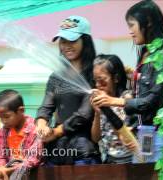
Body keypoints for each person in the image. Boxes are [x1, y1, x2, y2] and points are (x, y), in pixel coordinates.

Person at [91, 0, 163, 162]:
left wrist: (115, 101)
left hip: (160, 134)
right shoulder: (145, 51)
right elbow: (143, 95)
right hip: (146, 132)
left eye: (132, 25)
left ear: (148, 22)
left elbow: (151, 101)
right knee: (143, 171)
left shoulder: (162, 54)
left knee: (151, 173)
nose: (130, 31)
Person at [35, 15, 99, 165]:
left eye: (72, 40)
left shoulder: (95, 73)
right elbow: (46, 106)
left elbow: (84, 114)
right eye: (63, 41)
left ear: (86, 40)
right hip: (57, 150)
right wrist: (42, 124)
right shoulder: (56, 77)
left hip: (83, 151)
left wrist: (56, 132)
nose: (66, 46)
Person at [90, 54, 135, 164]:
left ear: (116, 78)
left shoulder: (126, 98)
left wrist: (108, 107)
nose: (97, 85)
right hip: (109, 161)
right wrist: (97, 113)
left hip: (130, 161)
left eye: (102, 80)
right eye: (95, 80)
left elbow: (123, 134)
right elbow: (95, 138)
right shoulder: (101, 103)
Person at [0, 89, 42, 180]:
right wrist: (2, 168)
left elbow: (33, 160)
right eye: (0, 118)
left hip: (32, 174)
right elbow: (2, 155)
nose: (4, 121)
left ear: (21, 110)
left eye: (7, 117)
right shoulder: (5, 130)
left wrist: (10, 170)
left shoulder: (34, 129)